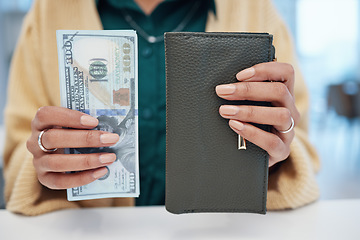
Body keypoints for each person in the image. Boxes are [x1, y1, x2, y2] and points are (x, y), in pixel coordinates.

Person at [3, 0, 320, 216]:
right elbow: (19, 150)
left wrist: (276, 153)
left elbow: (299, 142)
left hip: (218, 231)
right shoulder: (48, 11)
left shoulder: (253, 9)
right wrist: (41, 160)